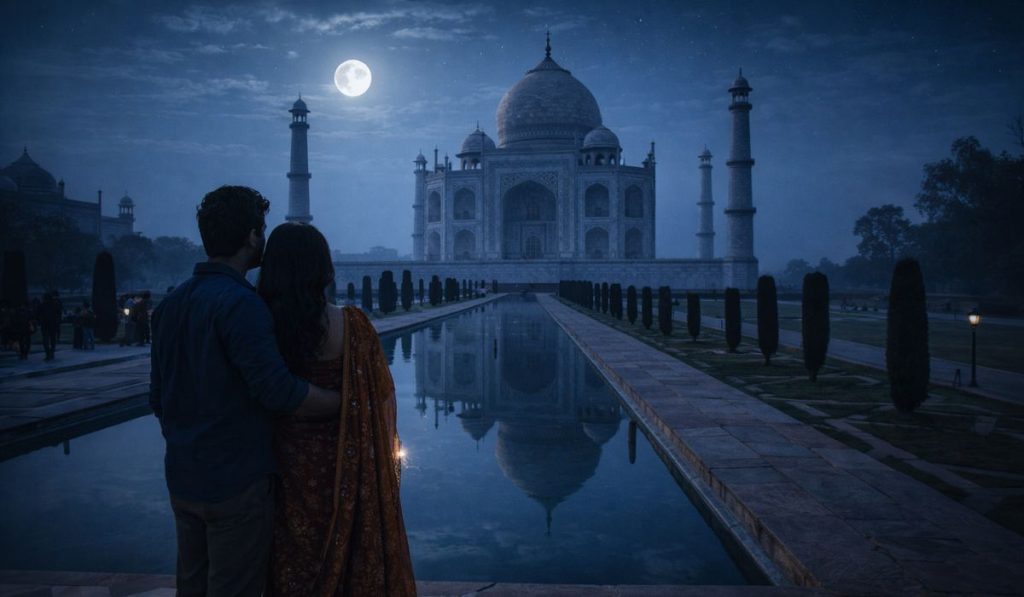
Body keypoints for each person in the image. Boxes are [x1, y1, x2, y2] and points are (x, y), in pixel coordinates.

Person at [150, 186, 343, 597]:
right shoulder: (242, 305)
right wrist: (345, 404)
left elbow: (157, 398)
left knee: (193, 586)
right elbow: (279, 393)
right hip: (235, 484)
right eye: (263, 230)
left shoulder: (170, 305)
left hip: (183, 479)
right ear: (253, 237)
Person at [258, 222, 416, 597]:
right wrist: (353, 407)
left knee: (289, 558)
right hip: (345, 469)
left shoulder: (258, 326)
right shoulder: (353, 326)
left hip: (280, 467)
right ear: (324, 269)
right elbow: (380, 399)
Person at [37, 291, 62, 361]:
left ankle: (48, 353)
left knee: (46, 340)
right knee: (52, 340)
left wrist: (40, 321)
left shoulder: (41, 305)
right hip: (53, 325)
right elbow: (59, 314)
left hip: (45, 325)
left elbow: (37, 314)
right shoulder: (55, 304)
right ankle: (51, 352)